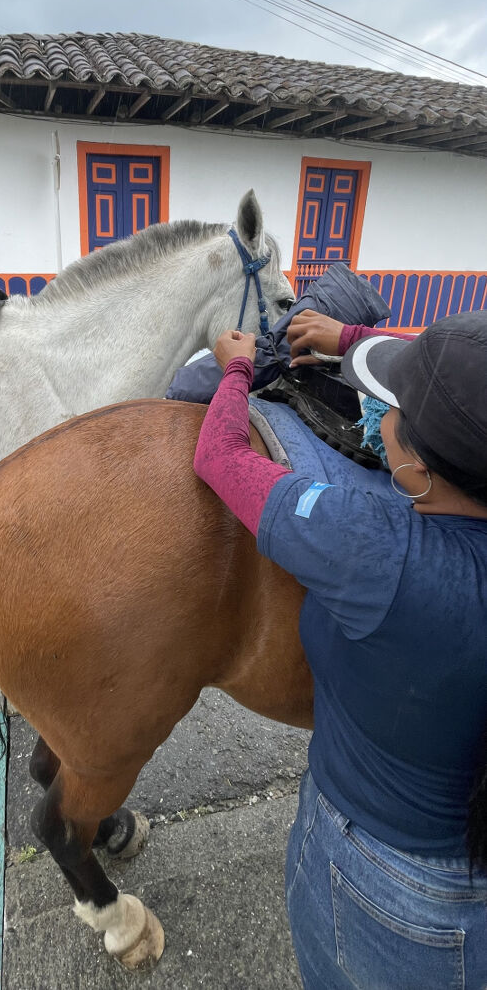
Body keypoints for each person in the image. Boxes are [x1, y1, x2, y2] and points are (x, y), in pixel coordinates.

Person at [193, 309, 487, 990]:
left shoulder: (374, 547)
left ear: (411, 463)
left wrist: (236, 367)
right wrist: (350, 340)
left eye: (392, 406)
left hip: (388, 892)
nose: (383, 415)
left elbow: (220, 458)